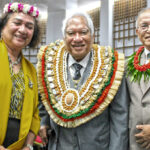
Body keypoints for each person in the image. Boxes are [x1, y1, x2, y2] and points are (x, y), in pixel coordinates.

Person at [37, 11, 129, 150]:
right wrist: (44, 122)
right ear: (64, 37)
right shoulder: (50, 63)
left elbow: (120, 118)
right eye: (71, 33)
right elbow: (43, 100)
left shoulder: (110, 66)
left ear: (92, 35)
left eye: (83, 32)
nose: (77, 38)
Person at [0, 2, 41, 150]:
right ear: (3, 26)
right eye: (17, 23)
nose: (23, 30)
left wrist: (29, 145)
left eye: (29, 27)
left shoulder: (31, 70)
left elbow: (35, 115)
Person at [126, 8, 150, 150]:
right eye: (144, 26)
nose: (148, 30)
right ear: (137, 32)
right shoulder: (128, 64)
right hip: (135, 142)